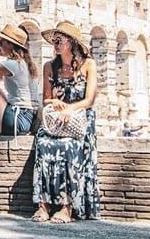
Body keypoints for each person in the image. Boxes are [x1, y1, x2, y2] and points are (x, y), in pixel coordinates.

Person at [32, 21, 100, 223]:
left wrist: (70, 109)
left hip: (79, 119)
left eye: (59, 39)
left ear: (71, 42)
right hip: (56, 121)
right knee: (42, 144)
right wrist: (55, 102)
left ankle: (66, 207)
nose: (56, 43)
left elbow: (90, 100)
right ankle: (43, 205)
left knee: (68, 147)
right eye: (54, 40)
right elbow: (45, 100)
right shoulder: (49, 67)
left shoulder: (89, 65)